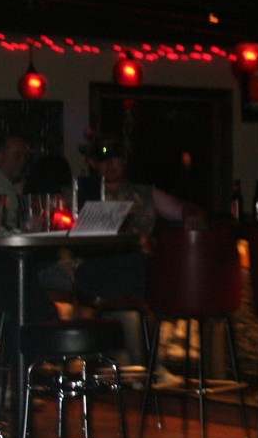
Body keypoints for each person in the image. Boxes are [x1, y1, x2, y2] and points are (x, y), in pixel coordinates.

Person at [73, 134, 204, 365]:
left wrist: (190, 215)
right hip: (95, 268)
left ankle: (135, 364)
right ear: (93, 163)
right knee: (132, 281)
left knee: (136, 289)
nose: (110, 164)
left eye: (116, 158)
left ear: (124, 160)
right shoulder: (80, 193)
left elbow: (182, 209)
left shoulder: (144, 193)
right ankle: (142, 363)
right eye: (103, 159)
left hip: (134, 270)